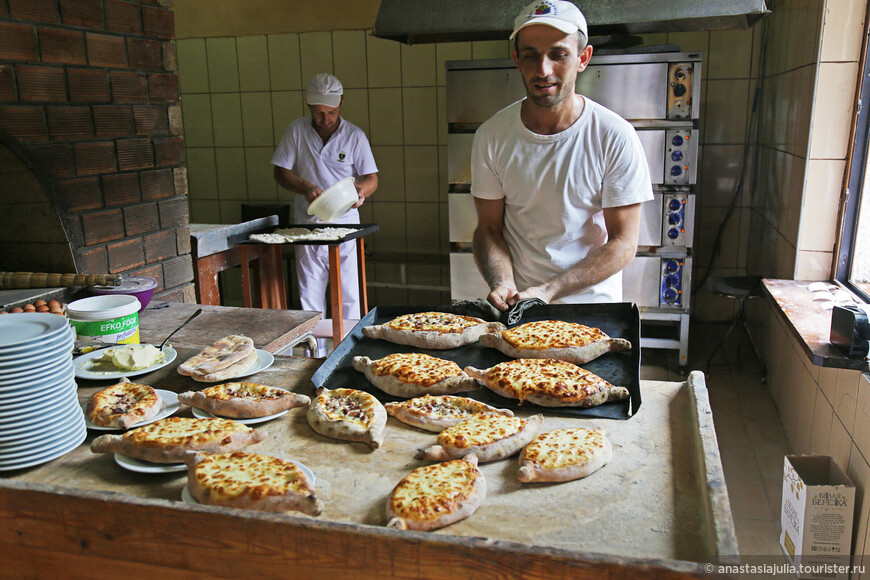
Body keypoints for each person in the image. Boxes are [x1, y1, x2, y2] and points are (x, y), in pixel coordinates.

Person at [471, 0, 653, 311]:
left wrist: (551, 289)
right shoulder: (492, 136)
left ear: (583, 58)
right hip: (521, 305)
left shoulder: (613, 135)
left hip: (593, 308)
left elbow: (623, 243)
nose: (543, 70)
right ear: (516, 59)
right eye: (531, 56)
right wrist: (502, 280)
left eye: (558, 55)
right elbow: (488, 229)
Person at [272, 73, 378, 322]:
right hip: (307, 224)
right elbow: (280, 172)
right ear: (308, 104)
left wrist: (360, 191)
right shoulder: (296, 131)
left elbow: (371, 179)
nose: (325, 119)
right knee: (309, 293)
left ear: (341, 103)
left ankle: (348, 351)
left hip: (346, 223)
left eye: (331, 112)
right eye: (319, 112)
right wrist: (305, 187)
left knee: (349, 293)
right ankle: (315, 354)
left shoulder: (354, 136)